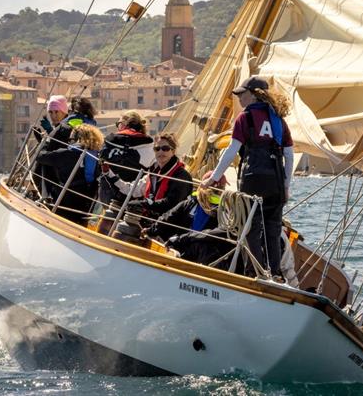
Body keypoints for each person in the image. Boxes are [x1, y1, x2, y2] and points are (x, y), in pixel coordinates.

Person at [201, 76, 294, 279]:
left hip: (253, 179)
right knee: (272, 227)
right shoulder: (279, 120)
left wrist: (213, 178)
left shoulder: (245, 118)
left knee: (251, 225)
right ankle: (275, 273)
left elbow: (232, 150)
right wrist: (286, 185)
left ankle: (256, 271)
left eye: (242, 94)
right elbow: (288, 155)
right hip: (276, 182)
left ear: (253, 94)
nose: (240, 98)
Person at [108, 132, 192, 221]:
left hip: (167, 226)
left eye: (165, 148)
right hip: (149, 220)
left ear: (173, 151)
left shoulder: (181, 176)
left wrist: (145, 204)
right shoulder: (152, 173)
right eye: (157, 148)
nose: (161, 152)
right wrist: (110, 175)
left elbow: (171, 204)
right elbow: (132, 190)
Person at [35, 124, 104, 224]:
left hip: (65, 205)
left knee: (46, 166)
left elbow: (40, 156)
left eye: (71, 138)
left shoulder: (65, 154)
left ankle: (45, 199)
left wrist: (46, 141)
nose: (69, 141)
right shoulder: (97, 155)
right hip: (86, 203)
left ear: (77, 139)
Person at [145, 171, 227, 242]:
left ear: (202, 185)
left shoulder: (189, 203)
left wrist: (150, 231)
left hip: (179, 245)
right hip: (199, 251)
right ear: (222, 189)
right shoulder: (225, 212)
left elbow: (167, 217)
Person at [98, 111, 155, 208]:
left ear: (124, 125)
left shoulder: (110, 140)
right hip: (133, 193)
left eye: (118, 124)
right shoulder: (149, 145)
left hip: (109, 189)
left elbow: (100, 162)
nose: (118, 128)